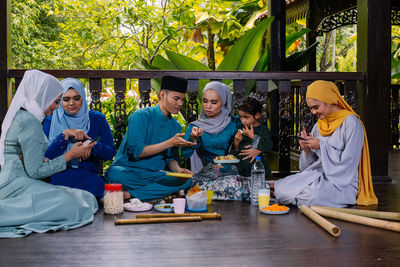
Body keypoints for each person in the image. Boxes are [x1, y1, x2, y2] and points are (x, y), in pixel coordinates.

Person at [0, 70, 98, 238]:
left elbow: (34, 158)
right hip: (16, 183)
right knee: (78, 203)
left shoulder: (25, 116)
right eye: (57, 101)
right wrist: (70, 155)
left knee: (84, 198)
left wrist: (64, 138)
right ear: (43, 96)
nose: (57, 106)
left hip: (15, 177)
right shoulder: (30, 121)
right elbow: (35, 171)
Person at [274, 80, 378, 207]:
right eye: (311, 108)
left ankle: (300, 196)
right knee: (281, 189)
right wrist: (306, 150)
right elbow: (307, 167)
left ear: (329, 100)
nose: (313, 112)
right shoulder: (319, 125)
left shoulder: (351, 123)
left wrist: (320, 146)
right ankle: (300, 196)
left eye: (316, 107)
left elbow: (349, 163)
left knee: (312, 196)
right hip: (316, 175)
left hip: (341, 182)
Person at [105, 75, 195, 201]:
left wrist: (178, 169)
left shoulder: (175, 126)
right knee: (115, 174)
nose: (180, 104)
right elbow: (138, 152)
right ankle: (153, 193)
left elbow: (170, 159)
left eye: (182, 100)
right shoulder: (140, 116)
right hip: (129, 172)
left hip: (154, 175)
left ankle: (129, 194)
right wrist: (170, 142)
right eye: (176, 99)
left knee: (186, 181)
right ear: (163, 94)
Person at [182, 82, 258, 201]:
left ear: (224, 103)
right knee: (237, 185)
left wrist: (239, 143)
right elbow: (185, 154)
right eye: (205, 101)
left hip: (235, 171)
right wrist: (193, 138)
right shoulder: (195, 127)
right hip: (209, 174)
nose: (207, 106)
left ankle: (213, 194)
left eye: (214, 102)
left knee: (243, 182)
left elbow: (258, 135)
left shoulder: (235, 122)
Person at [43, 78, 116, 198]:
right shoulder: (50, 121)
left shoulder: (97, 119)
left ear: (82, 97)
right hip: (59, 174)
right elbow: (46, 155)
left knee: (95, 185)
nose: (71, 103)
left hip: (87, 174)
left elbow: (110, 153)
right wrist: (64, 135)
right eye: (66, 99)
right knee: (56, 189)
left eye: (76, 98)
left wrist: (91, 146)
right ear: (60, 100)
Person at [231, 96, 273, 177]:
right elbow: (235, 149)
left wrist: (252, 136)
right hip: (241, 167)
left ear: (257, 115)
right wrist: (236, 141)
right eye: (240, 117)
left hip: (256, 168)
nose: (243, 120)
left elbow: (268, 145)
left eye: (246, 117)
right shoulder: (240, 129)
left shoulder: (262, 130)